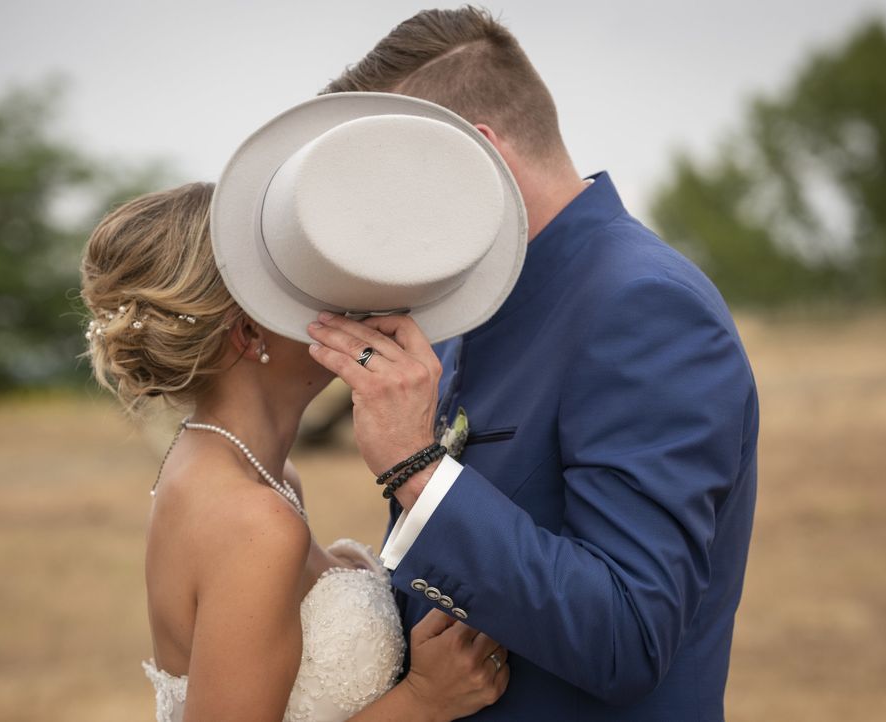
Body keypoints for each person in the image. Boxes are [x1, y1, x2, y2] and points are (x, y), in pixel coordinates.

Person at [306, 7, 759, 720]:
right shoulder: (468, 314)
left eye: (391, 192)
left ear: (479, 160)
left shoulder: (643, 307)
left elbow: (626, 636)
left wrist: (417, 469)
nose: (379, 229)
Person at [79, 182, 509, 721]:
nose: (348, 300)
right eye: (305, 282)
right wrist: (424, 700)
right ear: (248, 332)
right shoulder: (251, 517)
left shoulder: (253, 471)